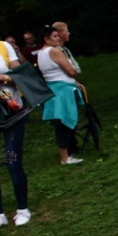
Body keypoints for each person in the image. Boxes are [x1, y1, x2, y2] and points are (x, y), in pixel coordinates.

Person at [0, 20, 31, 232]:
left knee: (13, 161)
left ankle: (22, 209)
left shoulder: (3, 47)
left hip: (11, 110)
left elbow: (21, 76)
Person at [36, 25, 85, 164]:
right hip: (62, 90)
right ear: (46, 39)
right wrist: (74, 75)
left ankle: (66, 154)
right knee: (64, 122)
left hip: (54, 88)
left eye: (58, 36)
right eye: (54, 36)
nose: (58, 38)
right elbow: (70, 71)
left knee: (62, 122)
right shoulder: (54, 51)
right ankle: (65, 157)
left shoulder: (41, 53)